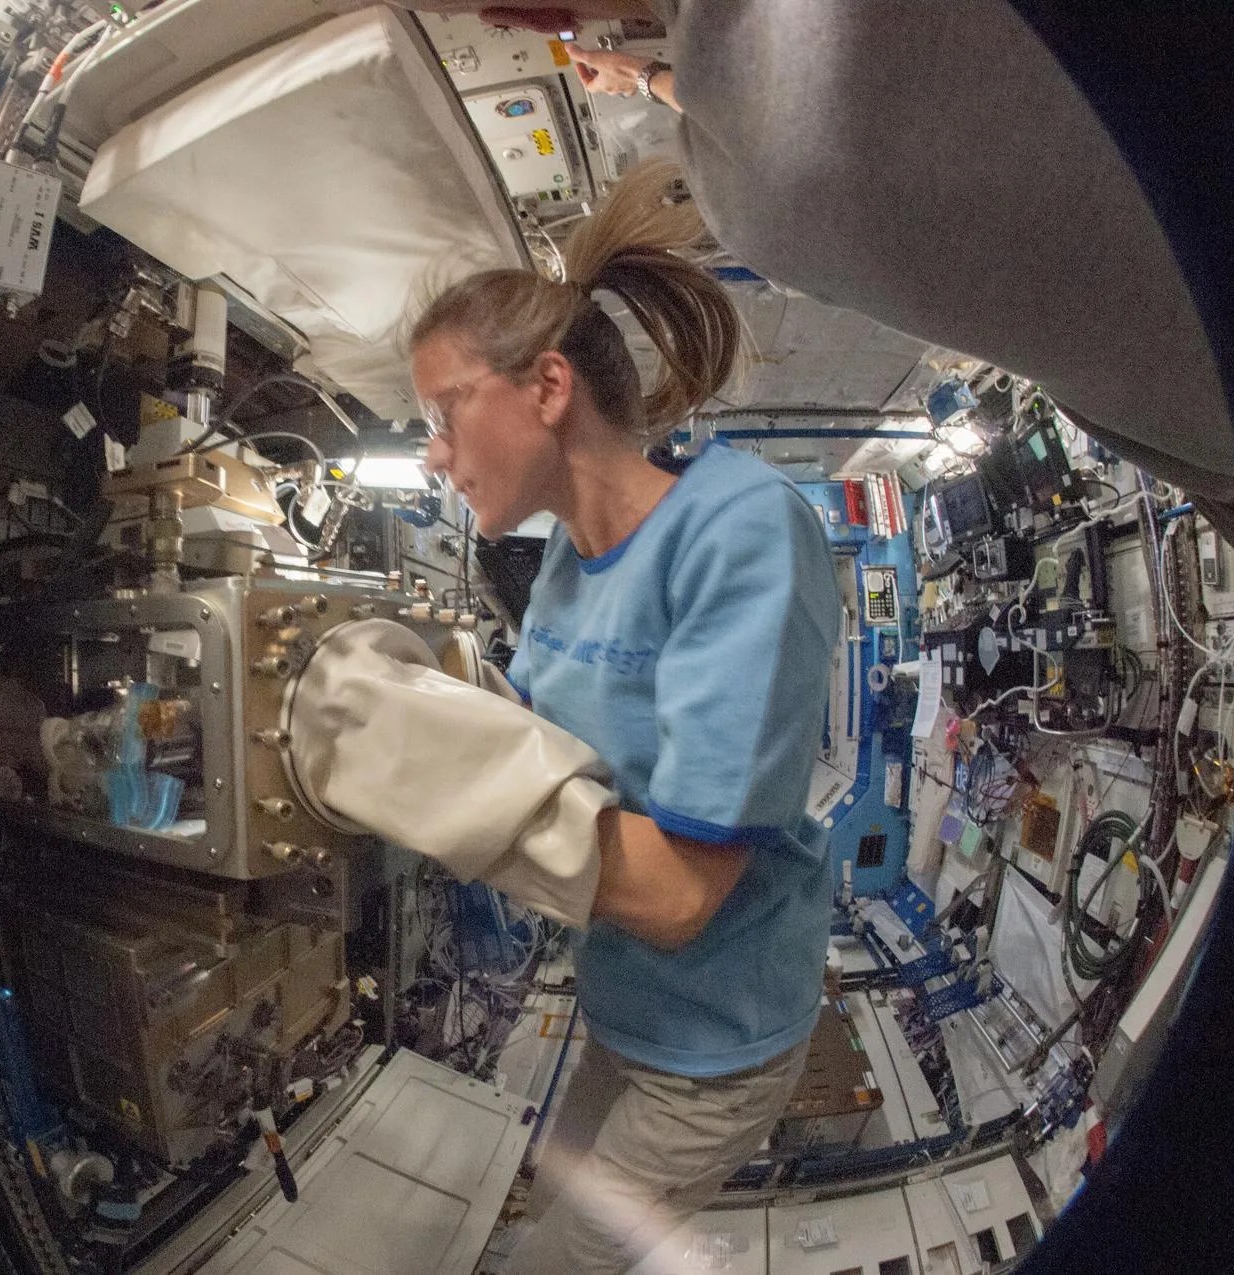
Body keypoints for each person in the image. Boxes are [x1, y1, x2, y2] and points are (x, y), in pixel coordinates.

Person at [290, 164, 842, 1272]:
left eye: (444, 417)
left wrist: (423, 767)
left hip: (719, 1041)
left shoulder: (739, 532)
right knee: (549, 1205)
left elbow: (682, 895)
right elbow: (553, 761)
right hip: (623, 1003)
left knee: (567, 1260)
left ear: (548, 388)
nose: (436, 456)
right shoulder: (562, 572)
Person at [374, 0, 1234, 550]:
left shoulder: (766, 188)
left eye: (446, 412)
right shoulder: (771, 149)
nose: (434, 452)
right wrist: (646, 72)